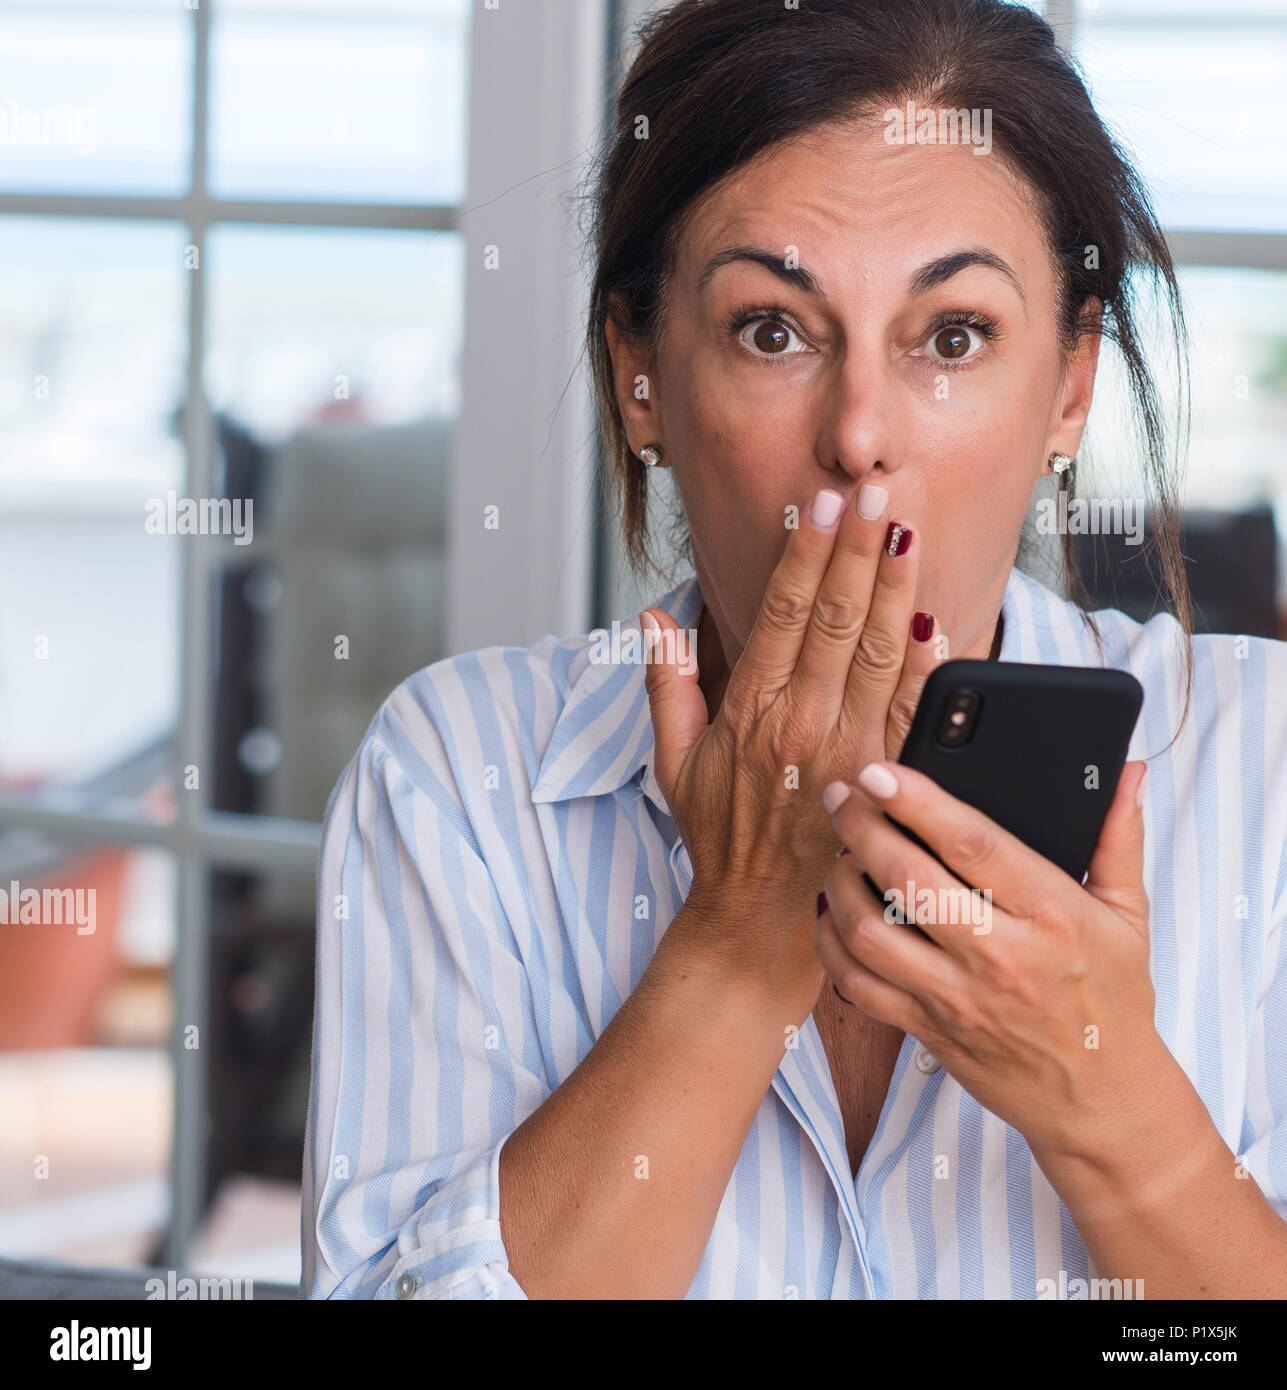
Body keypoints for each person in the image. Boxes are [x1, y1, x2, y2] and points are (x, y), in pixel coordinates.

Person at [301, 0, 1287, 1299]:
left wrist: (1109, 1099)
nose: (860, 435)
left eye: (952, 336)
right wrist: (735, 938)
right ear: (640, 373)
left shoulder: (1259, 766)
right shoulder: (461, 777)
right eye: (773, 329)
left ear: (1069, 384)